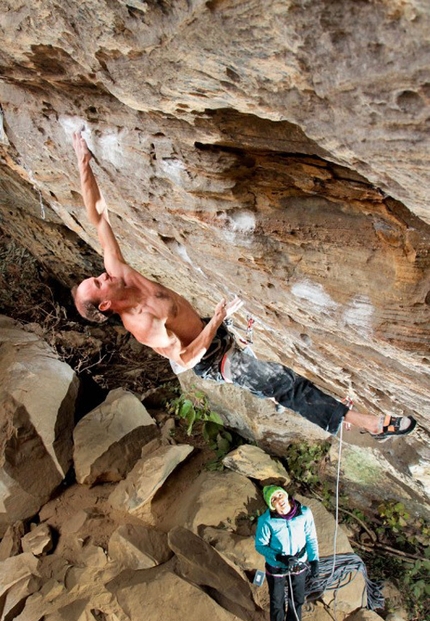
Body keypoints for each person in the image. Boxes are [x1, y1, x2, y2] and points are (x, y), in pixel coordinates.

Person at [71, 129, 417, 441]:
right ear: (105, 305)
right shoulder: (141, 324)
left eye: (97, 275)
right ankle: (371, 425)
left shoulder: (120, 273)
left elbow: (98, 216)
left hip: (212, 333)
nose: (103, 275)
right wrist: (218, 319)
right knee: (283, 383)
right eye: (98, 283)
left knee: (281, 378)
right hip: (213, 359)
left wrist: (82, 161)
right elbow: (187, 358)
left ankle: (325, 406)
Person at [255, 486, 319, 621]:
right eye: (274, 500)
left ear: (286, 495)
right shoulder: (266, 521)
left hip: (299, 562)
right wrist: (279, 557)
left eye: (279, 495)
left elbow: (311, 538)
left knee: (297, 597)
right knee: (276, 598)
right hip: (276, 565)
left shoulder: (304, 513)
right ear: (271, 506)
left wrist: (314, 560)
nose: (279, 501)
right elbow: (260, 545)